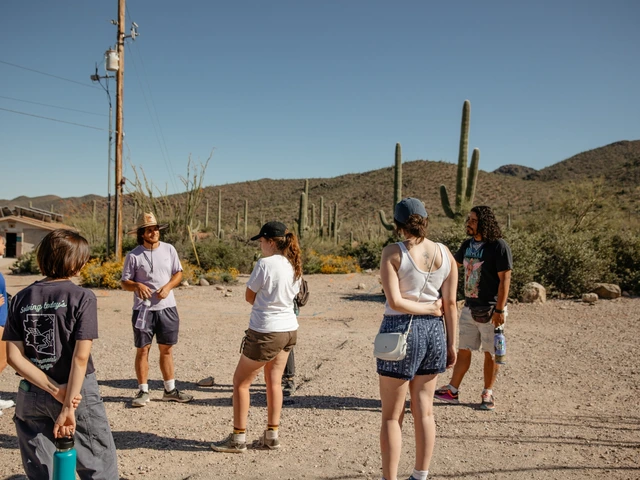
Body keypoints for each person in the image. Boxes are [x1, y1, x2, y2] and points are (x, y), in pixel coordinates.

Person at [2, 229, 118, 479]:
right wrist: (67, 403)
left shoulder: (20, 298)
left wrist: (53, 389)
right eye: (83, 258)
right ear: (74, 262)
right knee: (97, 463)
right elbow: (80, 357)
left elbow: (14, 356)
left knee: (40, 468)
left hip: (32, 391)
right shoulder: (82, 297)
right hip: (77, 392)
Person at [378, 198, 458, 480]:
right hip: (435, 332)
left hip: (399, 331)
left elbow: (396, 301)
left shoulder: (393, 252)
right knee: (425, 411)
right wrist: (451, 343)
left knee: (391, 415)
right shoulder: (446, 254)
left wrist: (424, 307)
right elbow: (449, 303)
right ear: (425, 219)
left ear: (397, 224)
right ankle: (420, 476)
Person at [212, 221, 301, 453]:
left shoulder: (265, 264)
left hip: (266, 331)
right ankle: (272, 435)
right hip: (289, 329)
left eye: (261, 241)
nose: (260, 246)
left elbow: (249, 296)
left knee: (241, 382)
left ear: (271, 242)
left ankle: (238, 438)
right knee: (274, 381)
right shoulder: (294, 264)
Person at [434, 205, 512, 411]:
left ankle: (488, 392)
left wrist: (500, 309)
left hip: (491, 309)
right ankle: (453, 389)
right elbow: (453, 266)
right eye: (469, 219)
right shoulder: (467, 245)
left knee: (491, 353)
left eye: (473, 220)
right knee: (464, 350)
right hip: (469, 307)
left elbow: (505, 280)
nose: (468, 223)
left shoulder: (498, 246)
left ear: (484, 223)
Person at [121, 212, 193, 407]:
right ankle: (143, 391)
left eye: (155, 229)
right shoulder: (133, 255)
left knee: (167, 349)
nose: (154, 233)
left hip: (167, 307)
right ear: (142, 234)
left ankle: (170, 390)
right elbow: (124, 282)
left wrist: (168, 287)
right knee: (143, 349)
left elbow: (178, 273)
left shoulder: (170, 250)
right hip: (143, 310)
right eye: (149, 230)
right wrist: (137, 286)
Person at [0, 235, 17, 415]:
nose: (5, 246)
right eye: (2, 243)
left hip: (2, 320)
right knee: (2, 361)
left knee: (3, 361)